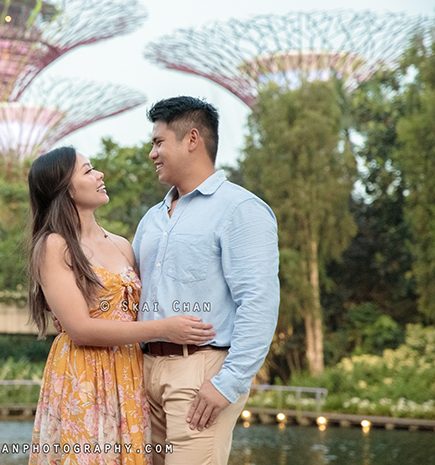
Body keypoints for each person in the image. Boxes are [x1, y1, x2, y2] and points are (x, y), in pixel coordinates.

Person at [27, 146, 217, 465]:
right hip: (82, 375)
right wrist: (166, 329)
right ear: (64, 188)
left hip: (127, 372)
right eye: (88, 171)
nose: (99, 175)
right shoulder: (54, 245)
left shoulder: (122, 245)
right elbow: (80, 328)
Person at [132, 96, 280, 465]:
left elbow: (258, 300)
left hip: (201, 372)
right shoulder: (152, 218)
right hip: (143, 371)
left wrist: (228, 383)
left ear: (192, 139)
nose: (152, 153)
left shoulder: (240, 209)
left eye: (158, 142)